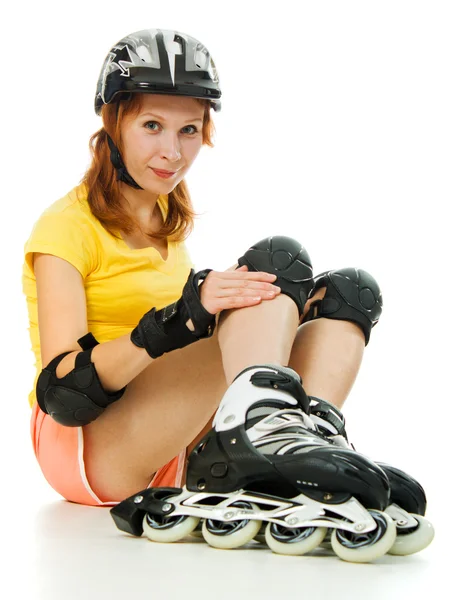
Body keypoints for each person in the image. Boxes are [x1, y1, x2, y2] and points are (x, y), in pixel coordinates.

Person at [22, 31, 424, 558]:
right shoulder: (65, 230)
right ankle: (261, 431)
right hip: (87, 448)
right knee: (275, 266)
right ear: (111, 121)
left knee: (345, 294)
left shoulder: (165, 221)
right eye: (151, 126)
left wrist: (256, 309)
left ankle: (303, 439)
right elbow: (64, 393)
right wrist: (185, 316)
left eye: (189, 130)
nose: (172, 151)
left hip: (175, 440)